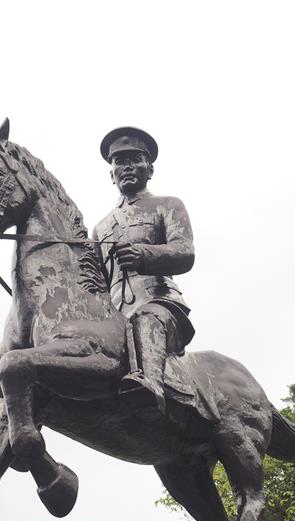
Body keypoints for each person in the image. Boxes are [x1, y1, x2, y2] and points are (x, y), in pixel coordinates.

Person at [93, 126, 196, 414]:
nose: (126, 167)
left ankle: (150, 385)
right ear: (110, 173)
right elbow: (95, 281)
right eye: (119, 162)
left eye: (134, 159)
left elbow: (185, 253)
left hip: (159, 304)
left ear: (149, 169)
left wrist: (142, 255)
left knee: (147, 319)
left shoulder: (168, 206)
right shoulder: (100, 227)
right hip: (114, 314)